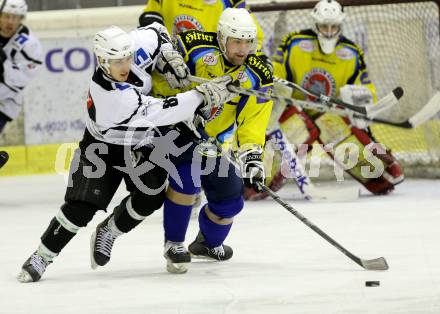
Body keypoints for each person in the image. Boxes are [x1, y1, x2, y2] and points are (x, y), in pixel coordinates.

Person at [17, 24, 237, 283]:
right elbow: (163, 111)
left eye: (127, 58)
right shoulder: (110, 97)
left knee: (151, 195)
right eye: (116, 61)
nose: (125, 65)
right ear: (101, 60)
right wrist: (201, 96)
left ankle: (109, 231)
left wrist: (169, 56)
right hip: (102, 148)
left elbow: (157, 31)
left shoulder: (132, 47)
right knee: (81, 208)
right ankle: (41, 256)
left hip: (139, 144)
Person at [92, 8, 273, 274]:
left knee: (231, 198)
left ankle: (206, 245)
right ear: (221, 38)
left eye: (248, 42)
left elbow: (254, 119)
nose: (242, 49)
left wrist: (252, 155)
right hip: (171, 130)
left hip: (209, 141)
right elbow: (156, 81)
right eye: (236, 41)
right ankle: (173, 245)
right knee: (185, 180)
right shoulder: (193, 46)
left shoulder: (257, 74)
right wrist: (170, 72)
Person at [244, 0, 404, 200]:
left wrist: (358, 101)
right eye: (324, 26)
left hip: (330, 114)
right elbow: (278, 74)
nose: (328, 31)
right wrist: (269, 76)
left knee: (338, 132)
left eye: (334, 26)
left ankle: (379, 174)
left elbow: (366, 89)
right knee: (297, 130)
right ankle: (256, 182)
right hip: (295, 111)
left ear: (341, 25)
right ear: (315, 24)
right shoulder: (293, 42)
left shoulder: (352, 52)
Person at [0, 0, 42, 165]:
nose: (10, 21)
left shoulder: (30, 45)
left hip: (4, 103)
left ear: (21, 19)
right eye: (6, 16)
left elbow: (22, 79)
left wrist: (3, 65)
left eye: (15, 17)